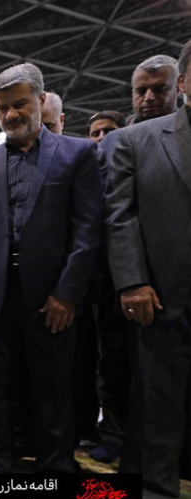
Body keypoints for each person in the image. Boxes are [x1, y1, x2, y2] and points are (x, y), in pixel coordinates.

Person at [0, 63, 104, 474]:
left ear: (42, 101)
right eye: (2, 108)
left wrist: (67, 293)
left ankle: (56, 465)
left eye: (20, 104)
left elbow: (88, 230)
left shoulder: (78, 153)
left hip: (52, 296)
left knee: (54, 385)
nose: (10, 115)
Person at [104, 38, 191, 499]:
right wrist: (132, 281)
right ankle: (153, 492)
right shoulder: (138, 139)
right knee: (158, 395)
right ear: (184, 82)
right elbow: (120, 216)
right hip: (162, 290)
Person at [93, 54, 180, 464]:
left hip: (177, 279)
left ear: (177, 86)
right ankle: (115, 433)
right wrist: (129, 278)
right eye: (140, 90)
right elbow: (114, 211)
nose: (147, 97)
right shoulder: (120, 141)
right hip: (128, 277)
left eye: (157, 89)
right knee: (120, 364)